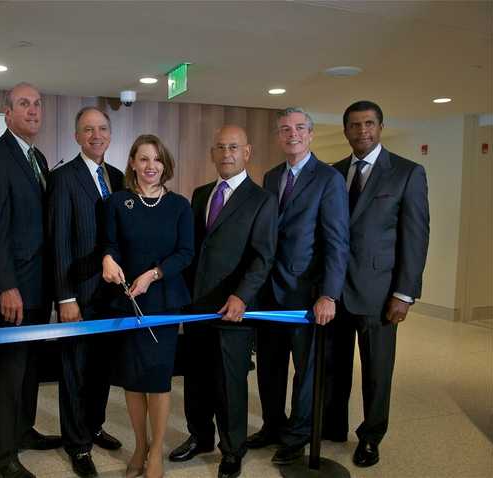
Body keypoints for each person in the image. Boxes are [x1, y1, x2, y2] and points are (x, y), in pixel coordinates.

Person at [324, 100, 429, 467]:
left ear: (380, 127)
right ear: (346, 130)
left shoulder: (406, 173)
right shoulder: (333, 173)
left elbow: (415, 237)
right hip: (335, 292)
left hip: (380, 293)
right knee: (333, 366)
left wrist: (404, 293)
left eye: (369, 124)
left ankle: (371, 437)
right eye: (354, 125)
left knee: (377, 371)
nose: (362, 131)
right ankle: (332, 425)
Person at [169, 125, 278, 478]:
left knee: (230, 383)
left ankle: (232, 448)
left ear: (247, 152)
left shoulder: (262, 200)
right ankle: (199, 437)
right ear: (212, 153)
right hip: (197, 306)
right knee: (196, 379)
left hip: (234, 310)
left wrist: (242, 296)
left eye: (234, 147)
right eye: (220, 147)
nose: (227, 153)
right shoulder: (200, 194)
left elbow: (263, 257)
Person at [247, 108, 349, 465]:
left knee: (306, 371)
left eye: (300, 128)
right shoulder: (271, 176)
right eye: (285, 129)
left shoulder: (329, 179)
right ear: (278, 136)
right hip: (270, 293)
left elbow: (337, 241)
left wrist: (329, 294)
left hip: (307, 295)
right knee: (270, 365)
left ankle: (298, 434)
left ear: (311, 134)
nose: (292, 134)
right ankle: (272, 426)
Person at [0, 82, 60, 478]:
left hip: (40, 286)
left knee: (29, 370)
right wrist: (6, 285)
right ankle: (2, 455)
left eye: (38, 104)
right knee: (7, 374)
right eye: (24, 104)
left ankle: (24, 431)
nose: (33, 111)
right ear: (6, 113)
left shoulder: (38, 158)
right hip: (13, 289)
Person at [101, 134, 194, 478]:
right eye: (143, 159)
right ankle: (139, 445)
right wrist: (108, 259)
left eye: (156, 159)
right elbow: (109, 244)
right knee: (133, 380)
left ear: (165, 164)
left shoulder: (180, 206)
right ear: (133, 164)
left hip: (164, 302)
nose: (150, 166)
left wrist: (153, 275)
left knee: (157, 380)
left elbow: (186, 253)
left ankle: (156, 451)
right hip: (126, 302)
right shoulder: (117, 202)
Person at [49, 106, 124, 477]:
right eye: (88, 130)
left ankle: (94, 426)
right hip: (78, 294)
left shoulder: (118, 176)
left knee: (100, 369)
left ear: (110, 135)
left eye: (102, 129)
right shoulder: (63, 178)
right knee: (75, 371)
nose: (96, 135)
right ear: (77, 136)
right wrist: (65, 297)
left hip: (112, 296)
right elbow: (59, 240)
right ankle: (77, 444)